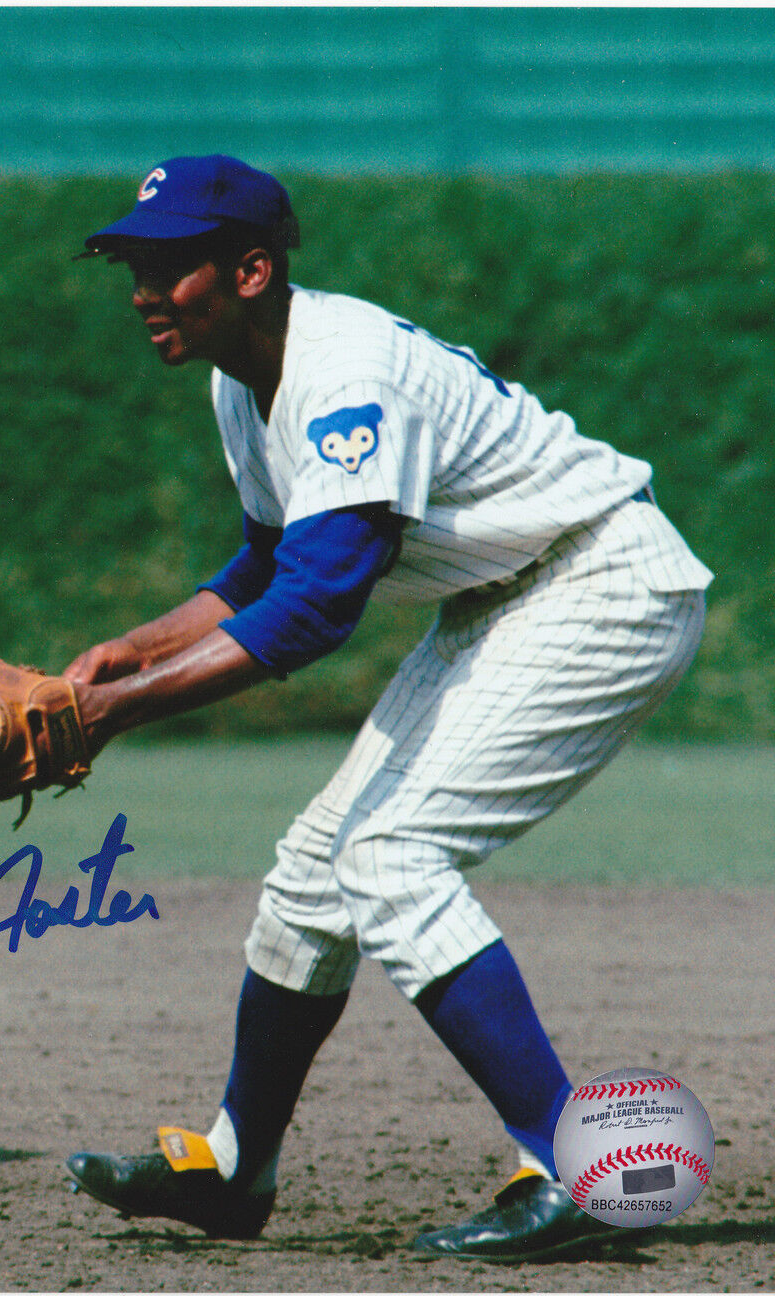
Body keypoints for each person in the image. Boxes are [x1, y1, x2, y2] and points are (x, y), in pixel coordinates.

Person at [59, 155, 711, 1261]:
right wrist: (131, 655)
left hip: (601, 582)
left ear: (252, 270)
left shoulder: (346, 371)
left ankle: (572, 1167)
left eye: (169, 266)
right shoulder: (242, 378)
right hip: (495, 601)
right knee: (313, 872)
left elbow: (316, 609)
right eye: (134, 264)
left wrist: (109, 718)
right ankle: (232, 1166)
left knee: (391, 857)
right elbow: (273, 558)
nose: (141, 291)